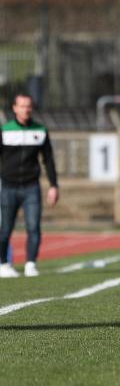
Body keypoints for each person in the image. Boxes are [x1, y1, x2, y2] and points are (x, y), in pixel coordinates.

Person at [0, 94, 59, 278]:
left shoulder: (40, 131)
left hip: (31, 187)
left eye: (29, 106)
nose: (26, 109)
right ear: (14, 108)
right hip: (8, 186)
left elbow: (48, 160)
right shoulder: (5, 130)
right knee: (5, 227)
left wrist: (53, 185)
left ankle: (31, 264)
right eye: (22, 106)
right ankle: (3, 264)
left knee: (33, 227)